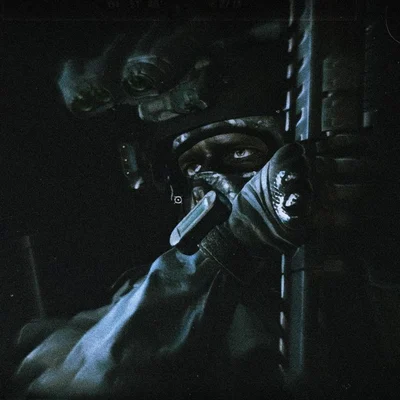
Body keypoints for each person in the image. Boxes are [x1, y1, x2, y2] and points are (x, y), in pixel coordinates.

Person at [11, 19, 315, 399]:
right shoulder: (154, 292)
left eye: (239, 153)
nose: (211, 183)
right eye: (193, 165)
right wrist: (227, 249)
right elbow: (65, 382)